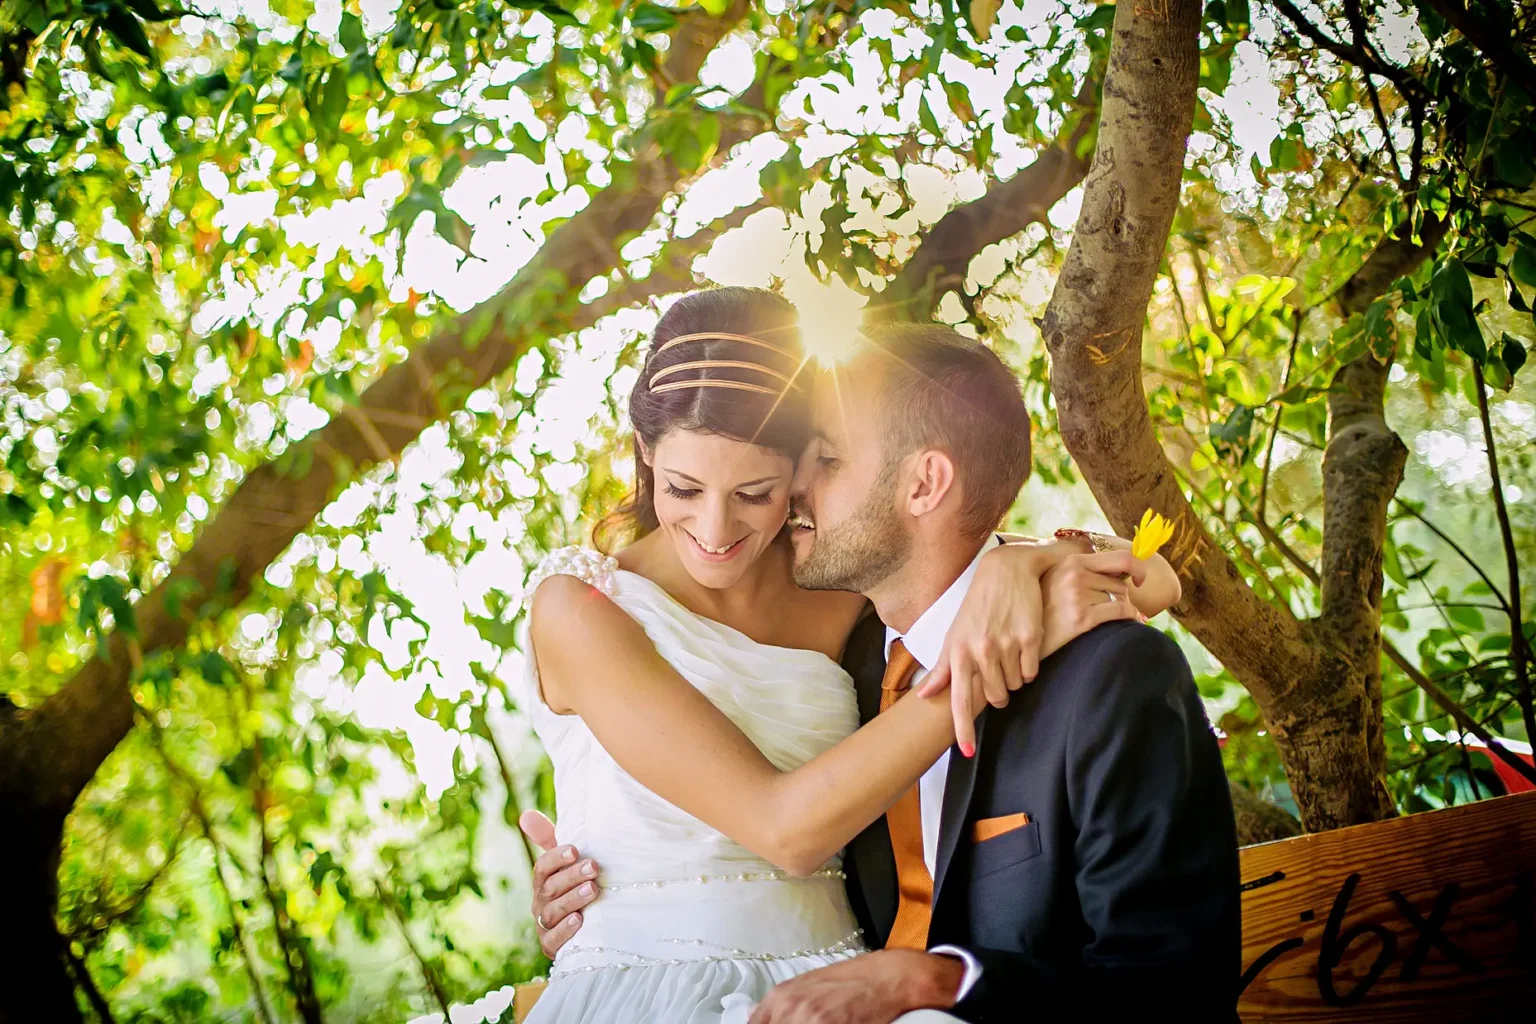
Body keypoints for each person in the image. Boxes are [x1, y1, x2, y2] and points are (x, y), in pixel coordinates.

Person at [529, 311, 1241, 1022]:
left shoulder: (837, 597)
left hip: (842, 979)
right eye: (684, 489)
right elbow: (780, 829)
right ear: (645, 452)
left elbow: (1145, 574)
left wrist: (1019, 566)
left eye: (760, 492)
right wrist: (971, 663)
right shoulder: (594, 607)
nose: (716, 530)